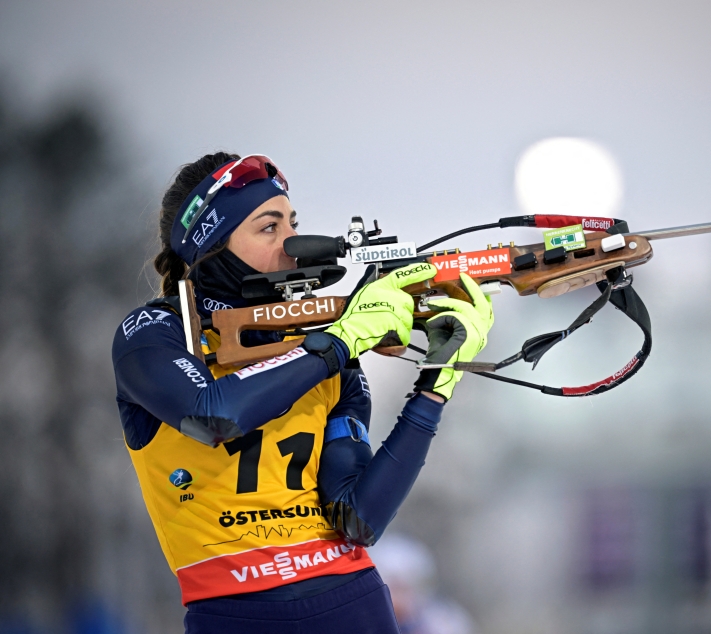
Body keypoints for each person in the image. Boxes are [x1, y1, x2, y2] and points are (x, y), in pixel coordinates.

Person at [111, 152, 493, 633]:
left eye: (294, 222)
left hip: (354, 605)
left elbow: (358, 520)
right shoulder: (153, 333)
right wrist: (342, 340)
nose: (292, 242)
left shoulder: (319, 349)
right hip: (232, 615)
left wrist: (437, 384)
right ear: (210, 242)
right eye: (269, 227)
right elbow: (212, 416)